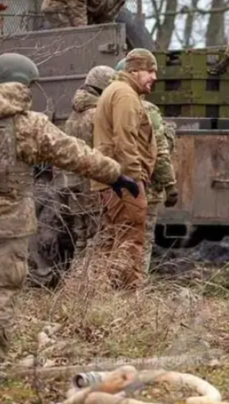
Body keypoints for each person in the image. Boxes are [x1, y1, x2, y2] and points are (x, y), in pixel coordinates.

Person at [0, 54, 138, 383]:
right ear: (25, 84)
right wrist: (116, 175)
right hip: (10, 224)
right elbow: (75, 153)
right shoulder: (29, 124)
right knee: (1, 292)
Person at [28, 65, 117, 287]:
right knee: (97, 237)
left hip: (72, 184)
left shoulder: (74, 115)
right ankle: (86, 285)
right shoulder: (97, 115)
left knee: (81, 237)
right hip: (92, 184)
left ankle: (75, 282)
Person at [92, 49, 158, 289]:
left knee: (113, 239)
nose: (154, 77)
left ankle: (104, 295)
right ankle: (129, 299)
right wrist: (133, 180)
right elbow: (125, 140)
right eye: (149, 71)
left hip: (112, 179)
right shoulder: (125, 94)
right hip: (123, 181)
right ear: (134, 71)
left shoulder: (116, 90)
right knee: (131, 240)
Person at [114, 58, 178, 274]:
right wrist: (170, 185)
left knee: (116, 238)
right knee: (142, 240)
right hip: (144, 186)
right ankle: (135, 289)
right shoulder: (147, 109)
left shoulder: (108, 103)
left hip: (114, 184)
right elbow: (160, 151)